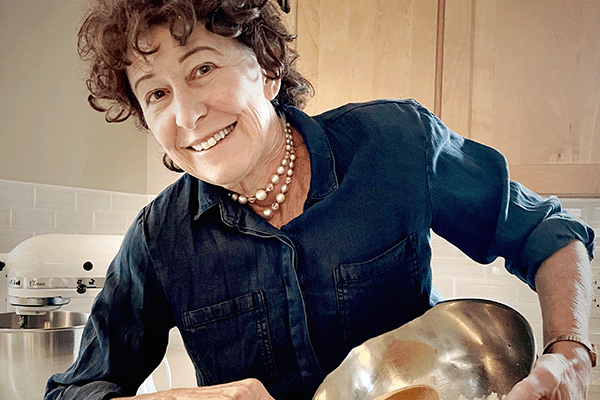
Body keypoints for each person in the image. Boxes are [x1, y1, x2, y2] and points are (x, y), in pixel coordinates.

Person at [46, 0, 596, 399]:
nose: (186, 115)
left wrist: (571, 355)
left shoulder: (395, 143)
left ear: (266, 68)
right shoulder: (159, 238)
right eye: (157, 93)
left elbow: (548, 233)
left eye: (203, 68)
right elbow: (75, 390)